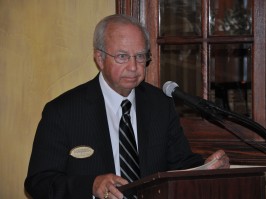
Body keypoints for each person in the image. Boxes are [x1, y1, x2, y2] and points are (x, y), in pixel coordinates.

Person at [24, 14, 230, 199]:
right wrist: (91, 185)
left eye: (140, 56)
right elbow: (38, 182)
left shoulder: (159, 104)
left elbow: (179, 165)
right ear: (100, 58)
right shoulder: (63, 112)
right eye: (122, 56)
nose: (133, 67)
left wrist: (206, 167)